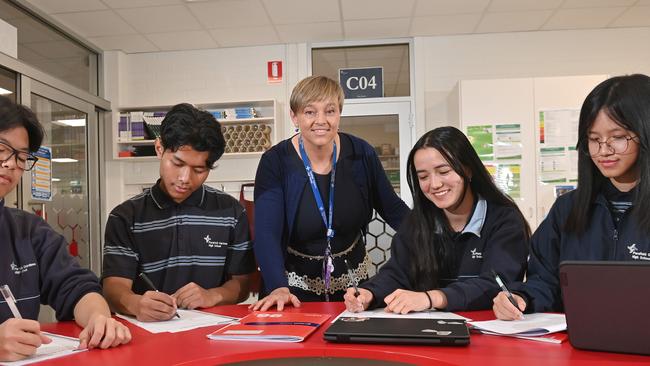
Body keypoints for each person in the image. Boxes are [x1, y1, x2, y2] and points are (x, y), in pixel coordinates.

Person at [493, 74, 650, 320]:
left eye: (618, 137)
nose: (603, 150)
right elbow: (545, 281)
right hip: (582, 347)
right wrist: (522, 297)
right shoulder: (568, 209)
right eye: (594, 139)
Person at [251, 76, 409, 310]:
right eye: (310, 112)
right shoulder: (275, 162)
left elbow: (393, 209)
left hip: (353, 288)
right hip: (291, 290)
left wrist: (432, 238)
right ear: (294, 117)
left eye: (330, 111)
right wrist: (277, 286)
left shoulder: (361, 153)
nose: (321, 121)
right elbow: (267, 232)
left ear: (339, 114)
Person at [344, 127, 530, 314]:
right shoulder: (416, 222)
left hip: (487, 330)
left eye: (444, 171)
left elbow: (496, 285)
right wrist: (370, 292)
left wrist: (430, 298)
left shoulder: (504, 220)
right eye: (423, 176)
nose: (434, 184)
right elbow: (397, 273)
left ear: (468, 170)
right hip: (429, 332)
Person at [0, 96, 130, 362]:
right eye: (2, 148)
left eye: (22, 157)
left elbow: (76, 287)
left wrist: (99, 319)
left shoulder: (28, 230)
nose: (12, 163)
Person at [102, 103, 256, 322]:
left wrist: (212, 295)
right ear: (159, 148)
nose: (185, 178)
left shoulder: (231, 212)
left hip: (214, 333)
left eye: (198, 169)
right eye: (177, 163)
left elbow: (242, 284)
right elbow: (113, 286)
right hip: (149, 332)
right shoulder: (126, 217)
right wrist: (136, 303)